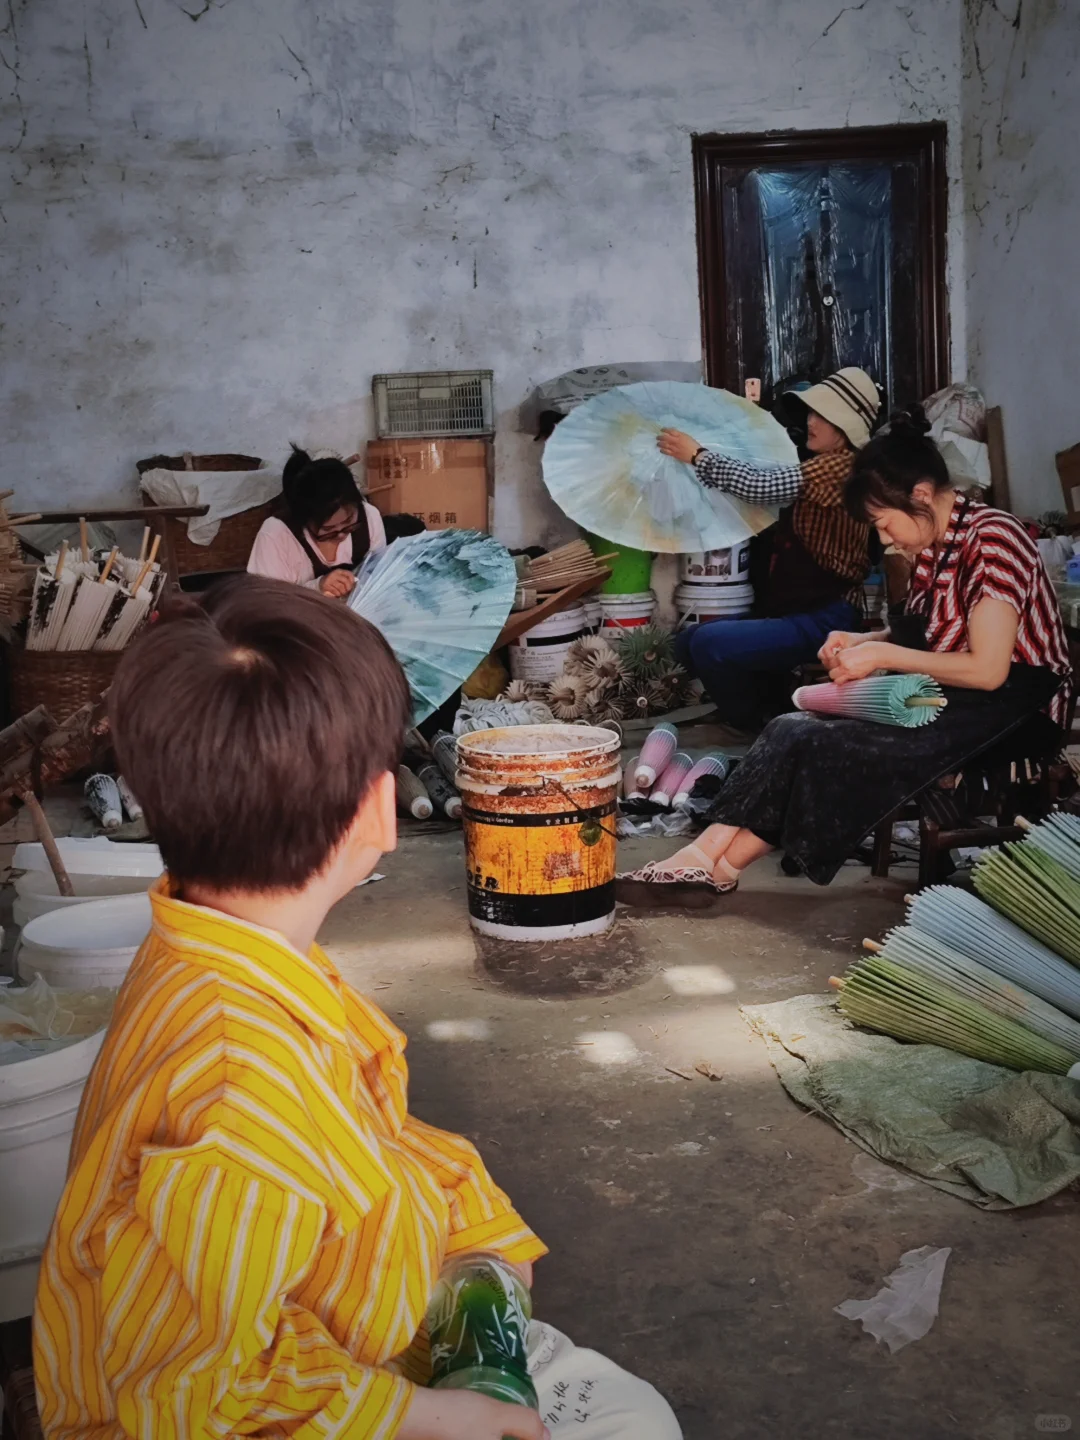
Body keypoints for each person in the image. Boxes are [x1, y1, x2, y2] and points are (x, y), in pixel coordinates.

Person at [34, 577, 681, 1440]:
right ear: (378, 812)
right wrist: (439, 1416)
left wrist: (469, 1234)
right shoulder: (239, 1087)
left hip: (349, 1321)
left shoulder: (216, 942)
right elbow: (198, 1398)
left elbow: (367, 1140)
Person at [619, 409, 1072, 905]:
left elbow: (989, 669)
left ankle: (719, 866)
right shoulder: (937, 542)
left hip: (1018, 709)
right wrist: (864, 640)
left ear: (921, 495)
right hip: (961, 693)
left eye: (882, 523)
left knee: (833, 746)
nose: (883, 539)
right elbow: (935, 635)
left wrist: (882, 652)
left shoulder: (993, 540)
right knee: (792, 726)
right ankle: (706, 859)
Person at [656, 367, 882, 734]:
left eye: (821, 416)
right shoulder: (827, 465)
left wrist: (697, 455)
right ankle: (769, 706)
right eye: (810, 412)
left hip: (828, 617)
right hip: (799, 608)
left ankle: (755, 727)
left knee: (711, 644)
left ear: (844, 427)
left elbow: (762, 485)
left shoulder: (842, 468)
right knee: (687, 641)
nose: (810, 422)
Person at [247, 444, 387, 598]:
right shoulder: (276, 534)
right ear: (304, 520)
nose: (341, 535)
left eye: (348, 523)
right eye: (328, 530)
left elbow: (378, 578)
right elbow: (267, 602)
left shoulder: (369, 517)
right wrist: (317, 587)